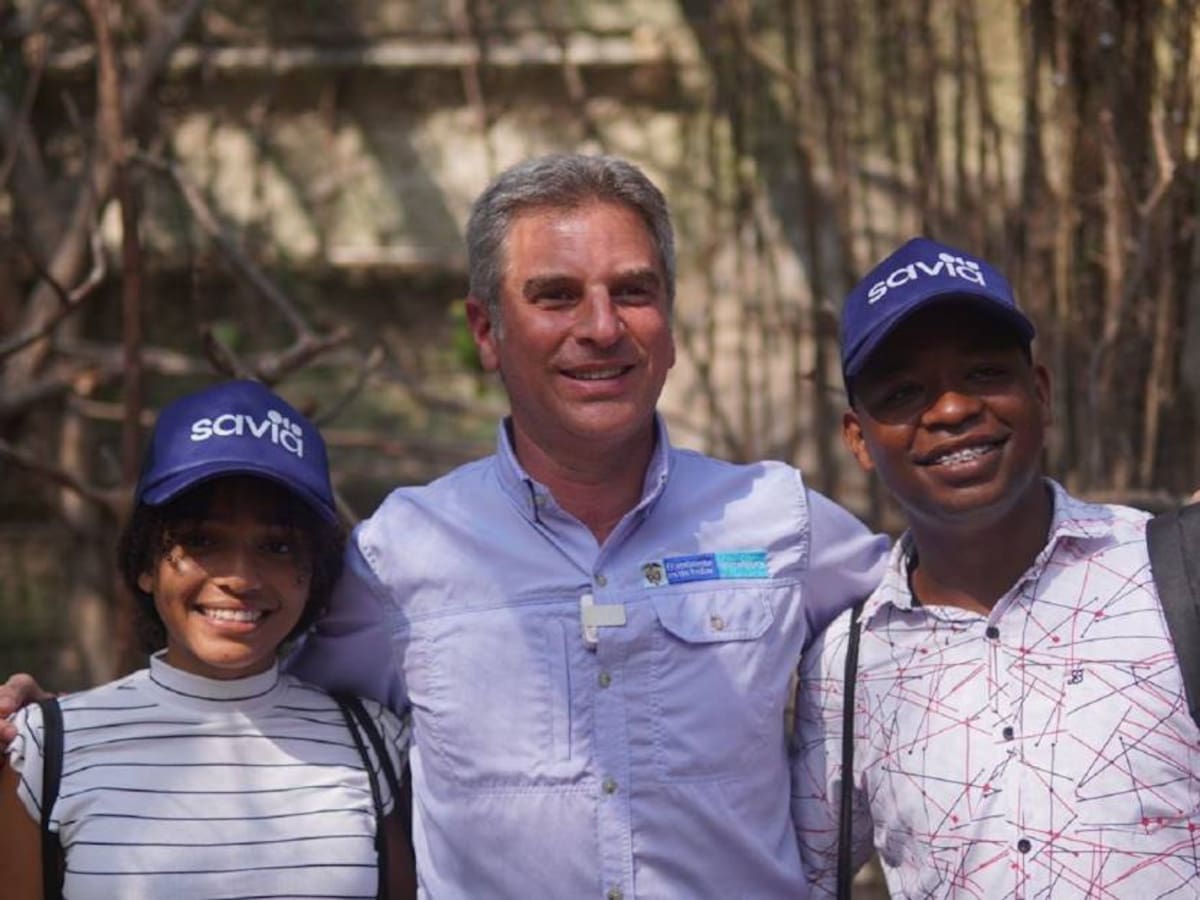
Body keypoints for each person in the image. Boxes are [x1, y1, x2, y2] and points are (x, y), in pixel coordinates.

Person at [3, 154, 888, 898]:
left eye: (634, 291)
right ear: (486, 331)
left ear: (671, 321)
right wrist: (69, 735)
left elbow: (941, 630)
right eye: (554, 295)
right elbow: (246, 679)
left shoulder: (781, 521)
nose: (601, 327)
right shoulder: (398, 555)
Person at [791, 237, 1200, 897]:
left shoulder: (1173, 573)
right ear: (859, 439)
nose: (951, 410)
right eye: (903, 391)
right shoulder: (847, 666)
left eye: (983, 373)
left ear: (1039, 391)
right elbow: (801, 879)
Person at [1, 380, 416, 899]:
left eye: (278, 545)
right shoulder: (48, 749)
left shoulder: (374, 741)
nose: (241, 576)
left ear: (315, 573)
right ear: (147, 563)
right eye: (201, 541)